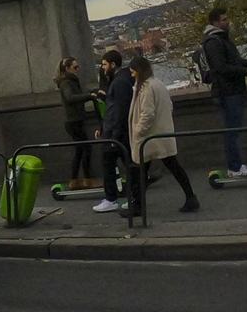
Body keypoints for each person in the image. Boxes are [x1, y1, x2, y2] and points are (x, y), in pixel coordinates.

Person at [121, 56, 199, 217]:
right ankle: (190, 197)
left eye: (133, 71)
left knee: (141, 171)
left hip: (150, 137)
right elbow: (167, 107)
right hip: (160, 133)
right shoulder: (157, 84)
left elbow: (147, 114)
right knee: (171, 167)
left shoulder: (146, 88)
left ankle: (138, 207)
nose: (132, 74)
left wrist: (138, 131)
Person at [202, 7, 247, 178]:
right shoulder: (213, 42)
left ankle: (236, 166)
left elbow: (235, 61)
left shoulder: (223, 39)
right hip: (227, 92)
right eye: (224, 19)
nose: (227, 21)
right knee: (232, 130)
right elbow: (221, 67)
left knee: (234, 129)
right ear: (215, 22)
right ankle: (235, 167)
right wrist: (246, 72)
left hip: (233, 90)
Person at [93, 51, 133, 213]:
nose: (102, 68)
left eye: (104, 64)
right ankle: (126, 198)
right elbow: (113, 108)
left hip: (116, 134)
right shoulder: (118, 80)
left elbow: (119, 111)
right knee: (125, 165)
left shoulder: (119, 82)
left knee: (113, 164)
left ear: (113, 64)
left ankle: (113, 199)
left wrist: (113, 134)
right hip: (113, 131)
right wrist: (102, 128)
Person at [55, 57, 100, 190]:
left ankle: (74, 181)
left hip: (74, 120)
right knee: (85, 149)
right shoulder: (66, 82)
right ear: (67, 69)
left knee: (80, 151)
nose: (78, 69)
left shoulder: (69, 81)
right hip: (73, 121)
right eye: (75, 67)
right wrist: (89, 96)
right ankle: (86, 179)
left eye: (78, 66)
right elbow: (70, 97)